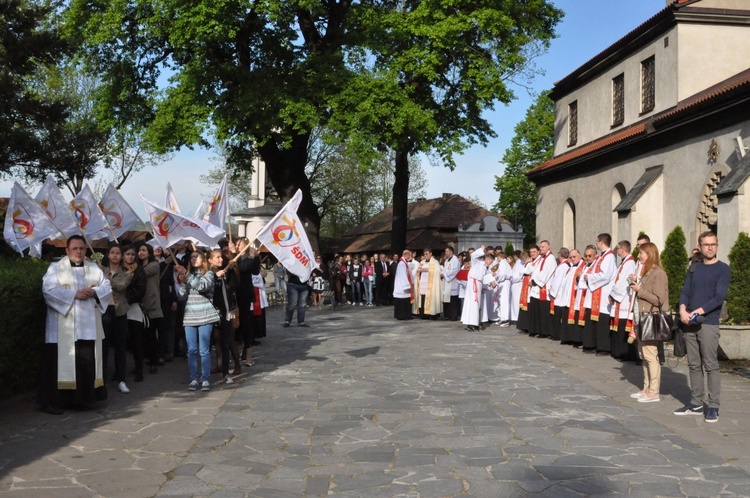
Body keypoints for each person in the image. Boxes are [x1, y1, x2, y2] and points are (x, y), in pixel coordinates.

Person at [38, 235, 113, 415]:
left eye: (81, 248)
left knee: (83, 364)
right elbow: (48, 290)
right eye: (75, 248)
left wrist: (94, 291)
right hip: (62, 328)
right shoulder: (55, 268)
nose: (78, 251)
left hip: (87, 327)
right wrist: (74, 295)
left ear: (85, 250)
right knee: (56, 365)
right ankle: (52, 402)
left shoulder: (94, 268)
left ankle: (78, 400)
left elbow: (107, 286)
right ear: (67, 250)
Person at [674, 231, 730, 422]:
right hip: (688, 321)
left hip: (708, 323)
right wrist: (682, 309)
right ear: (700, 246)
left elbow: (718, 297)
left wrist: (697, 311)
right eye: (706, 244)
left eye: (713, 244)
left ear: (717, 245)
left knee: (711, 364)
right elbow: (685, 291)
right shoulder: (694, 268)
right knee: (693, 364)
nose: (710, 247)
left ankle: (713, 405)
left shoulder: (723, 269)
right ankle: (696, 403)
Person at [628, 242, 669, 403]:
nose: (639, 256)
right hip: (642, 317)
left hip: (651, 318)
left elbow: (659, 299)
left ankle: (654, 391)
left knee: (651, 355)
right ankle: (646, 388)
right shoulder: (647, 272)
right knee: (643, 355)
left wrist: (640, 290)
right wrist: (636, 281)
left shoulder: (658, 273)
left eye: (641, 253)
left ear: (650, 254)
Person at [175, 250, 220, 391]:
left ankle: (205, 379)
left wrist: (187, 275)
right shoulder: (189, 275)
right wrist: (182, 283)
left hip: (205, 315)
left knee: (204, 350)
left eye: (197, 256)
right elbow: (181, 297)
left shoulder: (209, 273)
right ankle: (194, 378)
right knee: (191, 350)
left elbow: (202, 286)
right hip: (190, 316)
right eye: (192, 257)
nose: (194, 259)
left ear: (203, 259)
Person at [101, 244, 132, 394]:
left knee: (120, 347)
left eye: (117, 253)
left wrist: (105, 277)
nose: (114, 255)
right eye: (112, 252)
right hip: (103, 311)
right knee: (104, 347)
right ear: (108, 255)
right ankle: (102, 380)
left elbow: (121, 286)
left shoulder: (126, 272)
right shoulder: (100, 270)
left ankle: (121, 379)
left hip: (120, 311)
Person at [209, 249, 240, 384]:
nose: (221, 260)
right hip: (211, 313)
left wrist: (232, 270)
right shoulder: (207, 274)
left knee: (227, 342)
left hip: (227, 312)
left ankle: (226, 372)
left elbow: (235, 287)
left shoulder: (226, 273)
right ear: (210, 260)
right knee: (212, 343)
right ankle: (209, 371)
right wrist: (215, 276)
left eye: (221, 257)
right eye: (217, 257)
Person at [583, 233, 616, 354]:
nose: (596, 244)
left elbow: (605, 276)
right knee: (596, 321)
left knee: (602, 322)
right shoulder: (603, 257)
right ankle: (594, 345)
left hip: (603, 293)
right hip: (597, 292)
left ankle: (604, 347)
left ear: (602, 242)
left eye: (597, 242)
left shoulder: (609, 257)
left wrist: (590, 277)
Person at [137, 243, 164, 373]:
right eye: (139, 250)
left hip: (151, 304)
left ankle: (154, 361)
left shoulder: (154, 265)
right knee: (142, 337)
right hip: (139, 304)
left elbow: (140, 274)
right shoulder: (137, 266)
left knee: (152, 335)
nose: (140, 252)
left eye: (143, 250)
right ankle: (144, 361)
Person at [609, 240, 638, 361]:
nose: (617, 251)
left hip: (624, 299)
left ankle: (624, 353)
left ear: (623, 249)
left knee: (622, 327)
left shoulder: (630, 263)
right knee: (617, 327)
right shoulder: (624, 262)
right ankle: (617, 351)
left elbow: (623, 282)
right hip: (619, 298)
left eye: (618, 249)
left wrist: (614, 294)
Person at [123, 244, 147, 382]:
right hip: (120, 307)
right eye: (128, 254)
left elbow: (141, 289)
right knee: (122, 342)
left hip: (134, 307)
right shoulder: (119, 269)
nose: (130, 257)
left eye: (132, 254)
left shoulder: (139, 270)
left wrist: (129, 300)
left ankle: (139, 370)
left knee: (136, 341)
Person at [234, 238, 260, 360]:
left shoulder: (248, 256)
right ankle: (235, 350)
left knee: (245, 323)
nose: (237, 246)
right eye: (236, 243)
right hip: (233, 294)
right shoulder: (233, 256)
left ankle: (247, 350)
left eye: (240, 244)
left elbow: (254, 271)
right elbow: (240, 267)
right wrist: (250, 257)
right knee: (234, 325)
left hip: (244, 293)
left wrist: (255, 257)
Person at [461, 246, 491, 332]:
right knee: (473, 303)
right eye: (489, 260)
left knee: (476, 304)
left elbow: (484, 277)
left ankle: (474, 322)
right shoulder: (476, 261)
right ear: (485, 258)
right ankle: (472, 323)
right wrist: (482, 249)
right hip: (473, 283)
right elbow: (473, 255)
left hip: (478, 284)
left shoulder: (485, 267)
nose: (490, 262)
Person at [546, 247, 571, 340]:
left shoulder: (562, 266)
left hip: (558, 295)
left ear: (559, 254)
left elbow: (557, 282)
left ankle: (556, 334)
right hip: (561, 294)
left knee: (557, 316)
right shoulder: (566, 265)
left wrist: (552, 293)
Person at [413, 249, 443, 319]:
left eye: (426, 254)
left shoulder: (435, 262)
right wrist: (419, 271)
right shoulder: (422, 262)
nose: (425, 255)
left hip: (431, 284)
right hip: (423, 282)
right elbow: (417, 271)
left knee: (430, 298)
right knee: (422, 298)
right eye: (424, 254)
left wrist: (428, 270)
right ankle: (423, 314)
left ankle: (431, 314)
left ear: (430, 254)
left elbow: (437, 272)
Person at [392, 250, 415, 320]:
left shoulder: (403, 262)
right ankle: (403, 315)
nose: (410, 256)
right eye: (409, 255)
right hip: (402, 286)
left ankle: (403, 315)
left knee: (403, 301)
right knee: (403, 301)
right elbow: (403, 275)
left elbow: (409, 267)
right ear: (406, 254)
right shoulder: (402, 263)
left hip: (401, 285)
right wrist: (407, 286)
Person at [442, 247, 461, 321]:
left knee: (453, 301)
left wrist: (446, 276)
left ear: (451, 251)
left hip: (452, 282)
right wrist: (443, 274)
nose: (445, 253)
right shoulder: (446, 261)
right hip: (446, 282)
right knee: (447, 300)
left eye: (446, 251)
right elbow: (444, 270)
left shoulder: (455, 260)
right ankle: (448, 315)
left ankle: (454, 316)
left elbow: (455, 271)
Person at [509, 251, 525, 324]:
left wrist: (511, 278)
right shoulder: (519, 263)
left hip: (517, 284)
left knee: (516, 301)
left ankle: (516, 317)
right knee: (515, 301)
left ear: (515, 256)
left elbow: (517, 275)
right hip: (517, 283)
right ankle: (515, 316)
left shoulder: (519, 263)